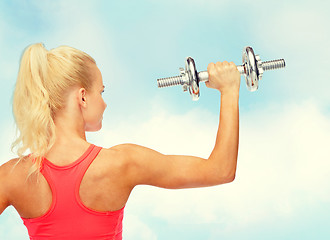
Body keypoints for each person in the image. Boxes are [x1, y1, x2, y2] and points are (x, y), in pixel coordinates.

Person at [0, 43, 240, 240]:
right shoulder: (122, 163)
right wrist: (229, 90)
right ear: (82, 97)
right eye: (101, 92)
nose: (104, 103)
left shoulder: (13, 175)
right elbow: (220, 170)